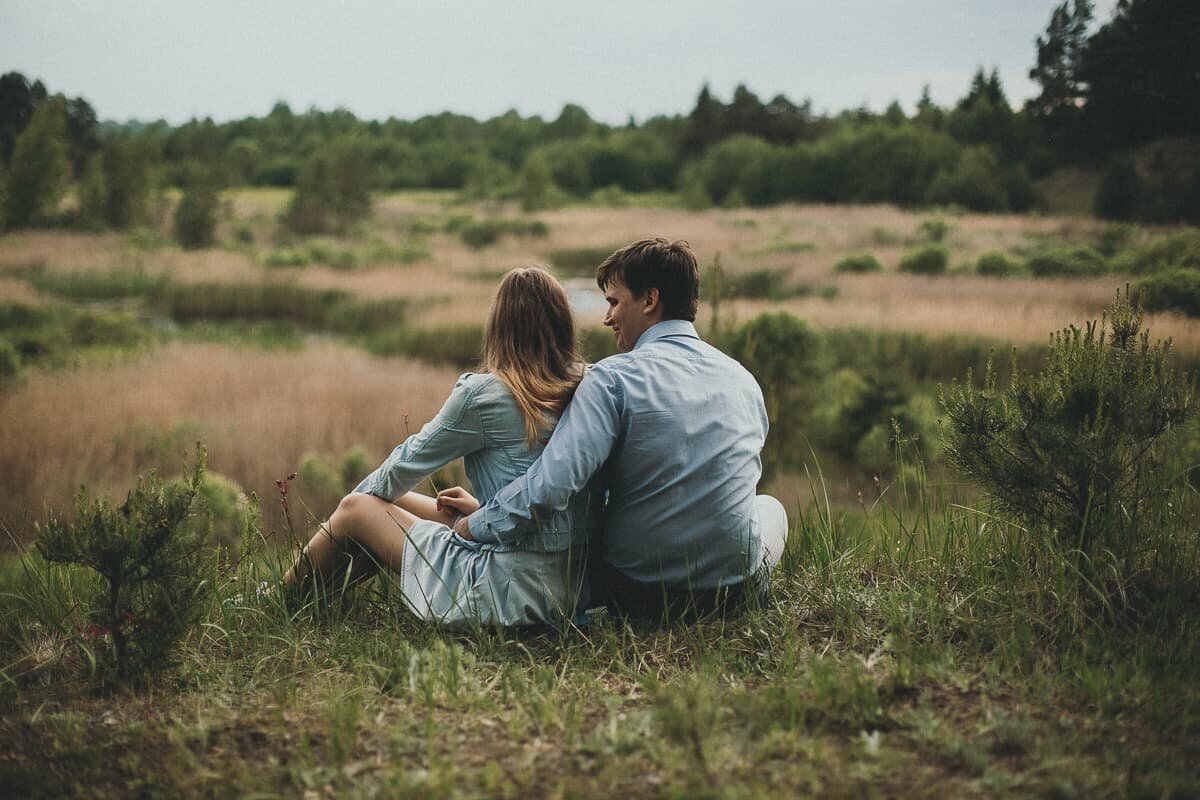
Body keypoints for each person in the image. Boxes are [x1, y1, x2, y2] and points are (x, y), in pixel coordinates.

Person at [445, 238, 788, 621]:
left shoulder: (612, 379)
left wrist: (473, 526)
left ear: (650, 300)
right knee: (770, 507)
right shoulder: (742, 379)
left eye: (613, 302)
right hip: (734, 593)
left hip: (642, 597)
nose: (608, 319)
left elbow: (550, 489)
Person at [284, 267, 602, 628]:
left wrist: (344, 517)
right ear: (563, 323)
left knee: (358, 508)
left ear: (499, 326)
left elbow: (402, 469)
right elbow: (557, 488)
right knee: (396, 503)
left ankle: (281, 597)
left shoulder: (484, 396)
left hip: (509, 589)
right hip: (574, 584)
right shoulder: (591, 384)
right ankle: (320, 597)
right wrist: (483, 510)